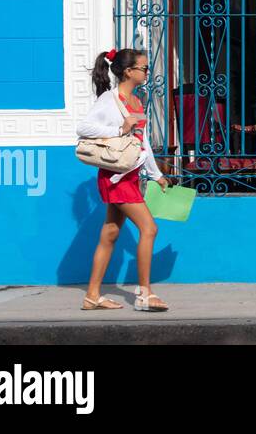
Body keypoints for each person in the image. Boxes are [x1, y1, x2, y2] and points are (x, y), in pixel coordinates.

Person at [76, 47, 170, 312]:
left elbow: (143, 143)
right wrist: (119, 128)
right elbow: (83, 128)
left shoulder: (137, 102)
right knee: (149, 229)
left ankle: (92, 296)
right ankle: (144, 294)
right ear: (129, 71)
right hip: (115, 177)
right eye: (144, 68)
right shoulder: (110, 99)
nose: (147, 72)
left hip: (130, 175)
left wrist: (157, 175)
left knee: (110, 233)